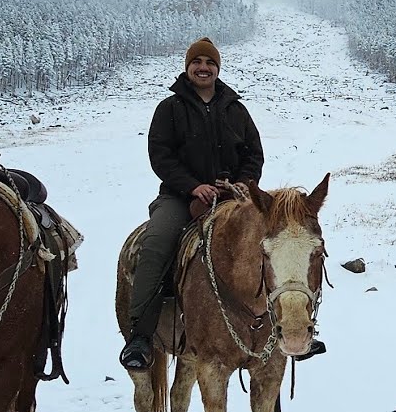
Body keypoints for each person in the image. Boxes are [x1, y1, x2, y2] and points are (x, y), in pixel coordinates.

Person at [119, 37, 326, 370]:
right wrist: (192, 186)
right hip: (179, 197)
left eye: (210, 63)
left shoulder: (235, 109)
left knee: (282, 247)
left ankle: (292, 327)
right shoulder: (169, 109)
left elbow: (253, 154)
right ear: (188, 67)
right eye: (197, 62)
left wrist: (242, 184)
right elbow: (161, 155)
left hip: (234, 196)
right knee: (156, 245)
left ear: (218, 68)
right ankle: (141, 337)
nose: (203, 68)